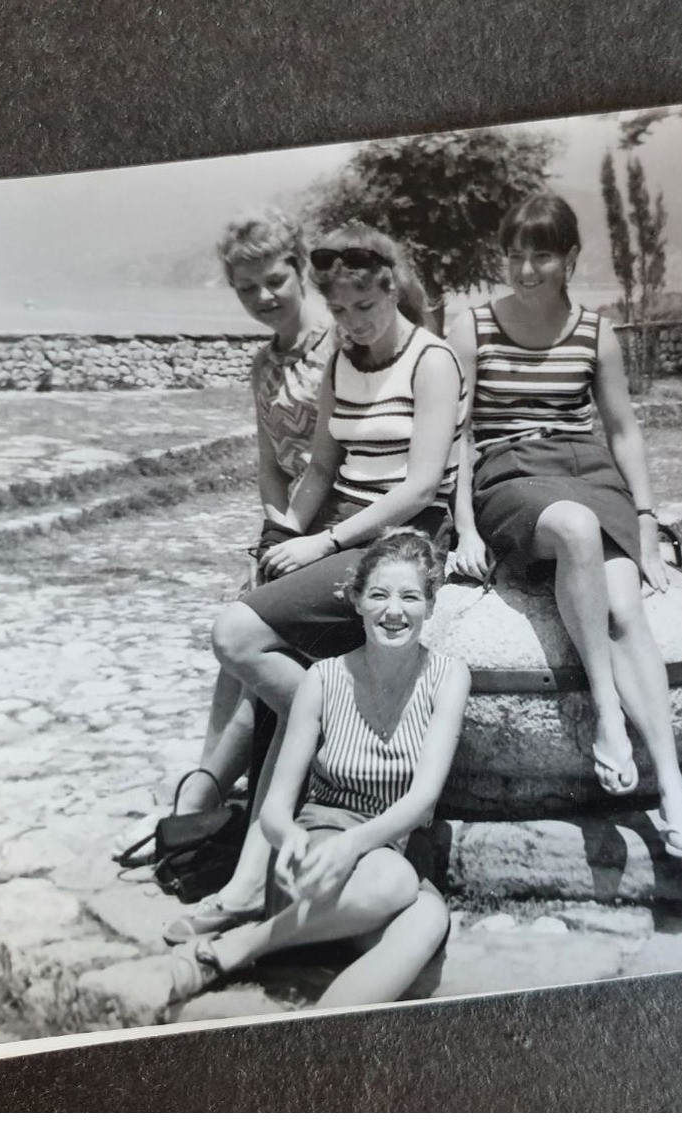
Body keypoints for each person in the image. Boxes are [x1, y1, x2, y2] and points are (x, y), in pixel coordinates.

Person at [162, 222, 465, 936]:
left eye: (366, 307)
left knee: (236, 633)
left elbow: (423, 485)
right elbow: (323, 466)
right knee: (266, 661)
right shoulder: (342, 360)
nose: (355, 324)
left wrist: (323, 540)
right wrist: (286, 538)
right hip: (339, 526)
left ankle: (329, 724)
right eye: (343, 311)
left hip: (400, 534)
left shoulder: (433, 360)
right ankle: (242, 889)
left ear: (391, 287)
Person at [447, 191, 682, 860]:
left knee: (626, 612)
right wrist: (467, 528)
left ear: (568, 258)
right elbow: (460, 435)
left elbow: (622, 430)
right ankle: (608, 717)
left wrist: (647, 519)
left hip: (591, 473)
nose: (525, 270)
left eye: (541, 256)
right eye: (514, 255)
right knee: (575, 529)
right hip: (511, 475)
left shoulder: (597, 332)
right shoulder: (470, 326)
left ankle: (672, 788)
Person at [166, 528, 470, 1009]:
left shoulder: (448, 677)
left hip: (389, 856)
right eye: (379, 595)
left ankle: (313, 1029)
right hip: (320, 853)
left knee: (428, 919)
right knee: (395, 885)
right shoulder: (322, 679)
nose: (395, 611)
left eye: (410, 597)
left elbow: (423, 798)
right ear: (357, 602)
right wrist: (290, 842)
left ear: (430, 605)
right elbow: (276, 809)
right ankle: (249, 947)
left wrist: (357, 846)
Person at [112, 210, 336, 862]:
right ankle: (202, 795)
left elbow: (333, 461)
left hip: (342, 522)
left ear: (300, 268)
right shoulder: (263, 366)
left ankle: (202, 798)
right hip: (291, 524)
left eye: (274, 281)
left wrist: (293, 536)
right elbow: (270, 464)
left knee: (246, 633)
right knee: (237, 642)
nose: (264, 298)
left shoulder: (341, 346)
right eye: (247, 290)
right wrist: (271, 532)